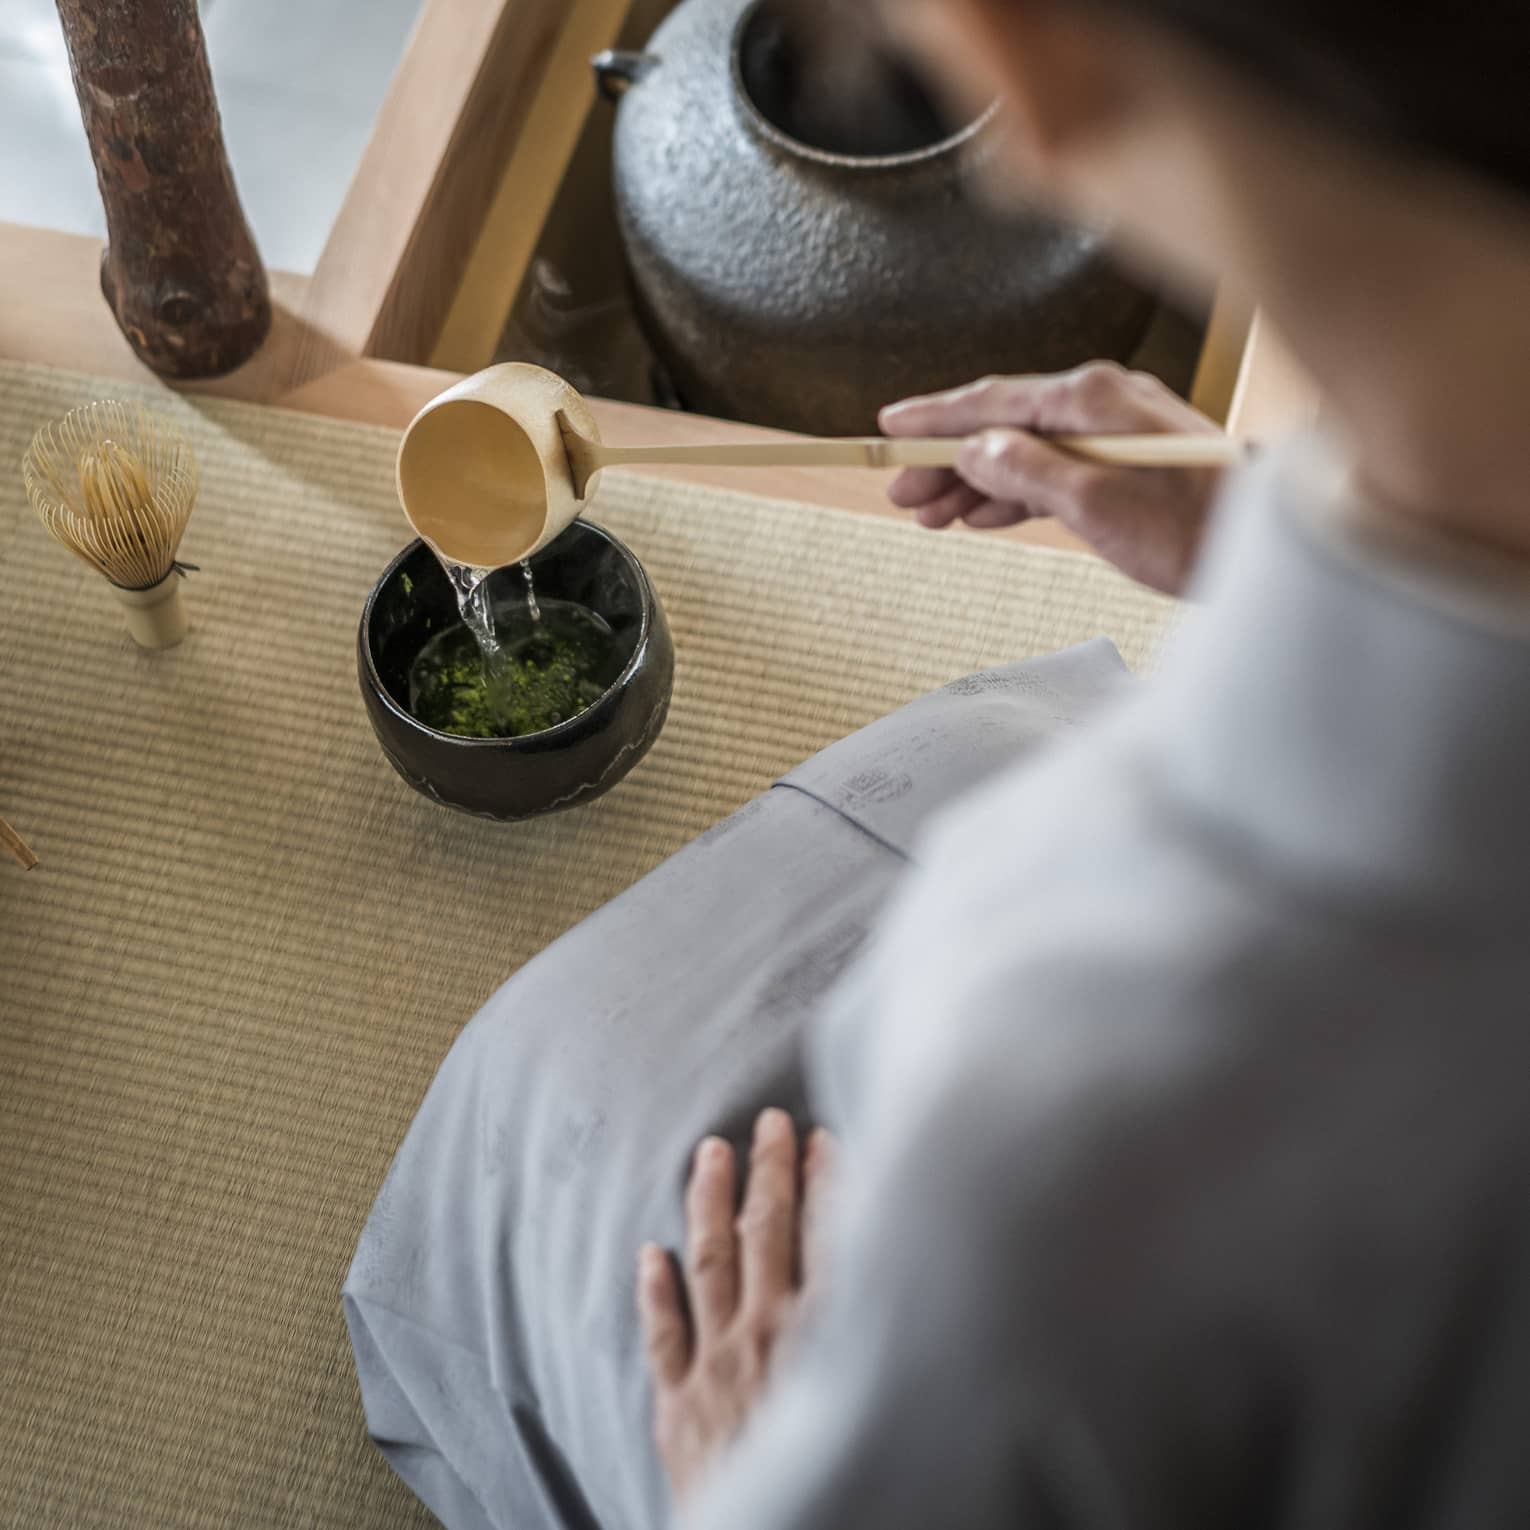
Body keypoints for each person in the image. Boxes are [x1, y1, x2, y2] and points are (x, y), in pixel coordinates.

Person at [345, 1, 1530, 1526]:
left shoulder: (1053, 1107)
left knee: (536, 1104)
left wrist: (741, 1472)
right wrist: (1262, 532)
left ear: (1020, 60)